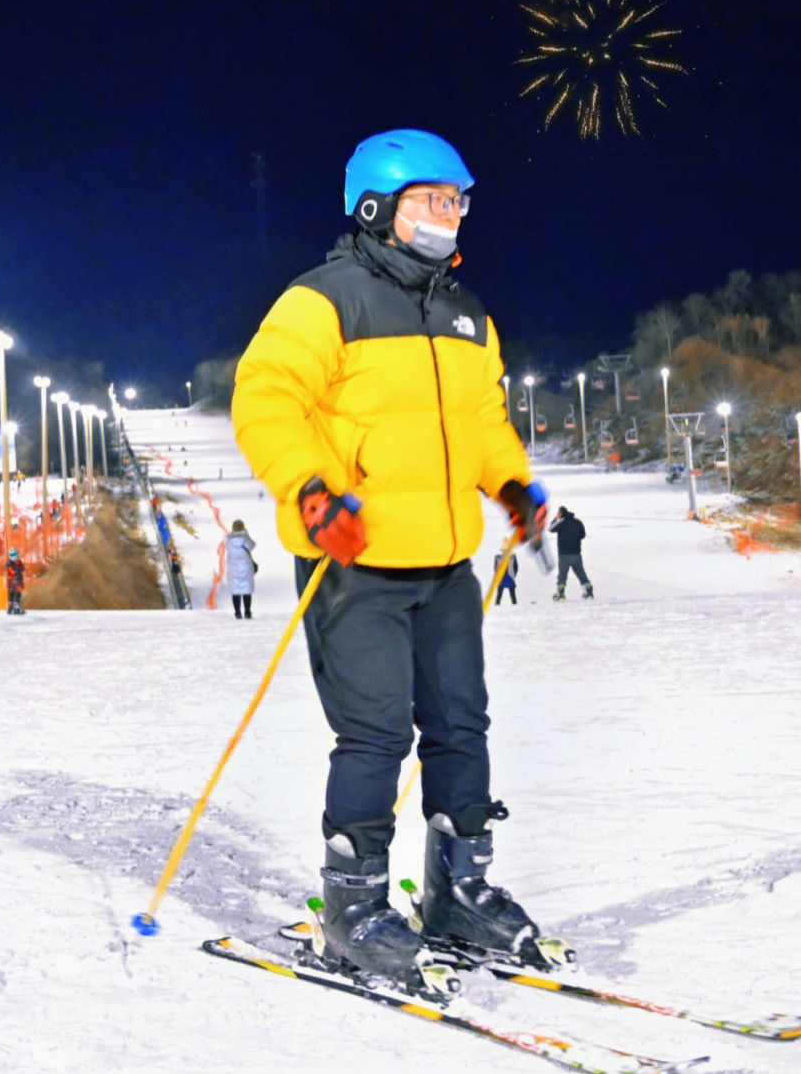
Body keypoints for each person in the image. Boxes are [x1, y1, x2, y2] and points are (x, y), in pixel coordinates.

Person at [232, 128, 550, 986]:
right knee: (373, 733)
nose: (450, 215)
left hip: (445, 565)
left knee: (460, 728)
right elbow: (267, 398)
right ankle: (356, 907)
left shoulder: (466, 315)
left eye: (458, 200)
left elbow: (484, 426)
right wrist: (309, 490)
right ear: (376, 206)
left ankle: (459, 893)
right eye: (432, 199)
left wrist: (514, 488)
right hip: (355, 560)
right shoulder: (322, 299)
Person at [548, 506, 593, 600]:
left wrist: (555, 518)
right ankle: (588, 592)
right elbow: (582, 535)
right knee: (581, 573)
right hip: (576, 553)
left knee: (562, 575)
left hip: (564, 554)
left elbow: (550, 529)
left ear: (561, 513)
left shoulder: (560, 522)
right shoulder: (578, 522)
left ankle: (560, 595)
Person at [225, 518, 257, 619]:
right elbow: (252, 545)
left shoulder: (228, 540)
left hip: (233, 567)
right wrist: (246, 533)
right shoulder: (245, 538)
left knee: (236, 590)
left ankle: (237, 612)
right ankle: (247, 611)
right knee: (246, 589)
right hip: (246, 566)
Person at [5, 547, 26, 615]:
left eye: (15, 554)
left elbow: (22, 568)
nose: (14, 556)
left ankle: (15, 608)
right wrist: (18, 569)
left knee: (18, 594)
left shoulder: (18, 562)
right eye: (12, 555)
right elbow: (12, 572)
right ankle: (12, 608)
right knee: (13, 595)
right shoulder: (9, 563)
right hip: (12, 582)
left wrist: (20, 567)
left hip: (18, 581)